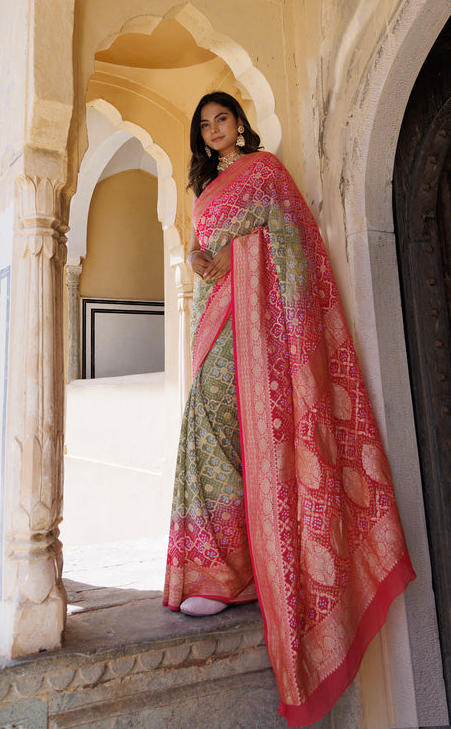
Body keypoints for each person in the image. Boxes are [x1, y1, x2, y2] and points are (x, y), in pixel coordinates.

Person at [163, 91, 415, 727]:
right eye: (205, 125)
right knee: (205, 426)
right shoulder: (206, 188)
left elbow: (294, 241)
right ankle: (217, 570)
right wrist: (203, 261)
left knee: (261, 440)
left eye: (220, 119)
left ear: (238, 122)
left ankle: (248, 568)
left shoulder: (267, 173)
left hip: (262, 323)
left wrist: (242, 255)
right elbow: (202, 255)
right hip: (214, 319)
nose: (214, 130)